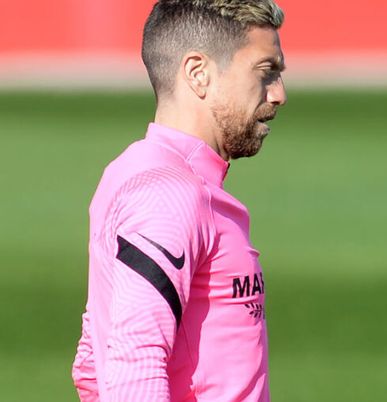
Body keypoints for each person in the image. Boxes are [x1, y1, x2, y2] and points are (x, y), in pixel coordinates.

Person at [71, 1, 287, 401]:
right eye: (265, 72)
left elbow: (91, 363)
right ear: (198, 74)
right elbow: (134, 371)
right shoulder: (168, 194)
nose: (279, 94)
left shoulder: (136, 172)